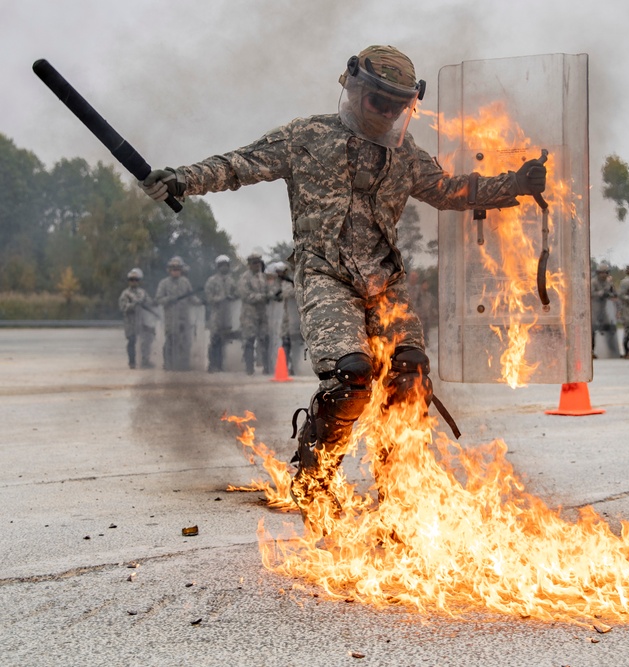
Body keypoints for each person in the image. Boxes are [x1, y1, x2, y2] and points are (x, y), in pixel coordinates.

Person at [140, 45, 546, 511]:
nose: (387, 113)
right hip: (326, 275)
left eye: (397, 105)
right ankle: (313, 476)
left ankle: (396, 485)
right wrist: (179, 180)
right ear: (354, 89)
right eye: (380, 102)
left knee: (409, 372)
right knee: (351, 377)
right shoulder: (307, 137)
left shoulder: (407, 154)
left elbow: (452, 190)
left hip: (384, 283)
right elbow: (237, 164)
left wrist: (514, 184)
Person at [155, 256, 196, 371]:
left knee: (185, 341)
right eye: (173, 268)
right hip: (171, 318)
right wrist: (169, 299)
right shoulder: (164, 283)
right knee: (170, 341)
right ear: (169, 270)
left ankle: (183, 365)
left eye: (178, 268)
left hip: (184, 317)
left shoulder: (185, 282)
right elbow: (158, 299)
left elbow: (191, 297)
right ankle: (168, 364)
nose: (176, 271)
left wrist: (200, 302)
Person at [238, 252, 274, 376]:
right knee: (249, 340)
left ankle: (266, 367)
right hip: (249, 314)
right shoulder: (245, 278)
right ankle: (249, 368)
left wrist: (270, 295)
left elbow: (269, 290)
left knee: (265, 339)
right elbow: (245, 295)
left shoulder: (263, 277)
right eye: (254, 263)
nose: (257, 265)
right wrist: (262, 297)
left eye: (258, 262)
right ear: (249, 264)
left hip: (262, 313)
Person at [204, 254, 239, 372]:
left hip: (228, 315)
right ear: (218, 267)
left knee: (224, 341)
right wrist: (220, 298)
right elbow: (209, 297)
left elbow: (237, 294)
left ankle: (220, 364)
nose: (224, 267)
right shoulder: (211, 281)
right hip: (216, 314)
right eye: (222, 265)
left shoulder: (231, 281)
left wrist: (232, 296)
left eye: (226, 265)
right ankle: (212, 364)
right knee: (214, 340)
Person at [118, 268, 156, 369]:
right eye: (131, 279)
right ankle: (132, 362)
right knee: (132, 341)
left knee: (147, 340)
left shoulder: (142, 293)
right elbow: (123, 308)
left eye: (136, 280)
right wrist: (134, 305)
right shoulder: (125, 294)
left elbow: (150, 303)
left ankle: (145, 360)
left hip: (142, 321)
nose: (133, 282)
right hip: (130, 322)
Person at [590, 262, 616, 357]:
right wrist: (601, 293)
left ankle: (611, 349)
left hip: (604, 307)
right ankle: (591, 350)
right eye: (602, 272)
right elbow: (591, 294)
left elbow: (614, 293)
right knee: (592, 329)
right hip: (594, 307)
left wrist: (610, 293)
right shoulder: (593, 282)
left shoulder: (608, 282)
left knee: (608, 327)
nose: (604, 275)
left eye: (606, 272)